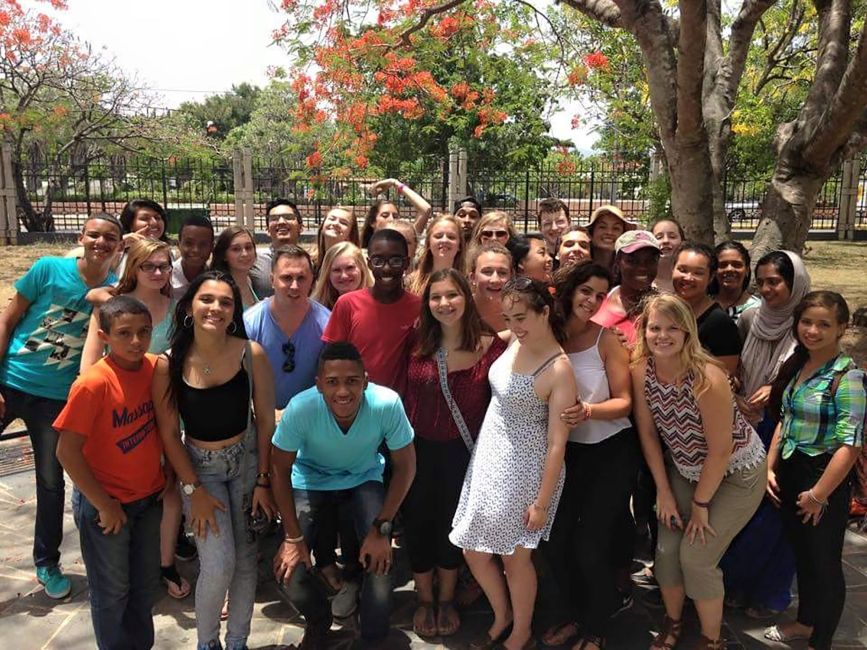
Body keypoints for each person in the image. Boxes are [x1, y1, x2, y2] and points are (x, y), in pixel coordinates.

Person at [631, 294, 766, 650]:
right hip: (684, 469)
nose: (662, 336)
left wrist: (701, 504)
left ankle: (712, 640)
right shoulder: (640, 370)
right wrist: (663, 491)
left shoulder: (707, 377)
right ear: (643, 331)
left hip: (736, 472)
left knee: (697, 558)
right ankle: (673, 622)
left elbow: (720, 450)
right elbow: (648, 432)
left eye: (672, 328)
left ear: (688, 331)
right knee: (665, 555)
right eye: (654, 327)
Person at [0, 212, 123, 599]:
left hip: (55, 399)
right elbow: (8, 320)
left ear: (118, 246)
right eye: (94, 235)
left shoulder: (115, 291)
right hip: (10, 381)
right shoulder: (47, 269)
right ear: (81, 236)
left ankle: (46, 562)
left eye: (109, 238)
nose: (100, 243)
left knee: (51, 482)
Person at [153, 271, 277, 650]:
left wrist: (263, 480)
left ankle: (237, 641)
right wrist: (194, 490)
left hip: (246, 463)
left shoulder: (249, 353)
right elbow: (170, 434)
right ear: (189, 306)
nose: (216, 308)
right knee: (218, 562)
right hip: (199, 469)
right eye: (207, 299)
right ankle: (207, 643)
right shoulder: (168, 363)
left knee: (245, 561)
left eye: (226, 301)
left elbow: (266, 421)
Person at [450, 277, 576, 650]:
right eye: (508, 316)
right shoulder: (512, 342)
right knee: (474, 549)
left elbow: (557, 443)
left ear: (545, 312)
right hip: (490, 459)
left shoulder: (559, 369)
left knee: (516, 558)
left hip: (527, 470)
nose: (515, 324)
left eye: (521, 316)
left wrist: (540, 503)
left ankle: (520, 631)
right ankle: (502, 614)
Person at [271, 342, 417, 648]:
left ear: (365, 380)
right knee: (289, 569)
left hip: (363, 478)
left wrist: (382, 528)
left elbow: (405, 466)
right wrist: (293, 538)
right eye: (333, 382)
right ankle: (318, 619)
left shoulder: (386, 404)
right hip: (310, 480)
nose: (343, 391)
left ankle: (373, 636)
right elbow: (279, 469)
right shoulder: (301, 408)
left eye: (352, 381)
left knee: (381, 562)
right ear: (319, 384)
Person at [79, 238, 193, 599]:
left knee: (169, 487)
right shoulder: (113, 308)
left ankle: (164, 563)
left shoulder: (177, 308)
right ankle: (121, 561)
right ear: (134, 268)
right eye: (150, 266)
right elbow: (89, 365)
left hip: (164, 409)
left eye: (164, 267)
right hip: (121, 412)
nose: (158, 273)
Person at [54, 296, 169, 649]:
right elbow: (66, 452)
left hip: (149, 500)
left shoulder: (155, 369)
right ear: (104, 336)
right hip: (108, 506)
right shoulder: (93, 384)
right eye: (124, 333)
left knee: (144, 586)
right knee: (111, 592)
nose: (136, 341)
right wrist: (104, 504)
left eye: (143, 332)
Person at [403, 269, 508, 638]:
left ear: (466, 297)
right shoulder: (415, 341)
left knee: (452, 525)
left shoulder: (492, 347)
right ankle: (424, 599)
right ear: (427, 304)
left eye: (452, 295)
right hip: (416, 451)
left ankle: (446, 599)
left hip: (465, 454)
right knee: (418, 525)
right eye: (436, 297)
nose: (444, 304)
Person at [540, 262, 637, 650]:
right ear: (568, 289)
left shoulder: (606, 339)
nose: (592, 301)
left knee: (590, 544)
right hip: (564, 453)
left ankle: (596, 625)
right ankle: (570, 614)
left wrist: (590, 411)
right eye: (586, 291)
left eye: (600, 295)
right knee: (556, 540)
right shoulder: (549, 335)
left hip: (610, 451)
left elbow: (625, 402)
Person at [763, 291, 866, 650]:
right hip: (791, 473)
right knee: (803, 556)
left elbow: (850, 444)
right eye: (807, 322)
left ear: (841, 328)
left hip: (822, 479)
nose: (812, 330)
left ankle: (820, 639)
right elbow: (785, 417)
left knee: (823, 564)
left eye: (824, 324)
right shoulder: (798, 364)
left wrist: (818, 495)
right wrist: (769, 467)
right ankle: (806, 623)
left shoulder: (848, 377)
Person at [720, 250, 811, 622]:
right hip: (749, 422)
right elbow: (741, 359)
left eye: (775, 281)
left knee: (776, 515)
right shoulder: (751, 317)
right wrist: (739, 380)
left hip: (787, 427)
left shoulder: (807, 321)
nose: (768, 289)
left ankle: (771, 594)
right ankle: (736, 585)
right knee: (744, 512)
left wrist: (776, 388)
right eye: (762, 282)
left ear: (795, 283)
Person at [322, 229, 421, 396]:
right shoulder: (348, 304)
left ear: (407, 263)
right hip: (355, 402)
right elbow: (332, 360)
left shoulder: (419, 307)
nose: (386, 268)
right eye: (378, 261)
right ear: (368, 263)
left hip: (399, 406)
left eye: (395, 260)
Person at [244, 246, 330, 410]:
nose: (295, 286)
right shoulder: (250, 323)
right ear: (272, 280)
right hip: (264, 417)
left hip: (313, 415)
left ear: (312, 279)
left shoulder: (327, 323)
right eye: (287, 278)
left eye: (301, 278)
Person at [671, 242, 742, 376]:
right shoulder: (662, 311)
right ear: (672, 269)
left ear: (710, 278)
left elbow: (725, 377)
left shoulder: (720, 324)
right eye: (682, 270)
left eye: (698, 273)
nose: (688, 278)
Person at [592, 230, 660, 346]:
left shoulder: (666, 309)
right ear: (618, 262)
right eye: (632, 260)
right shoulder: (596, 302)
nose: (642, 267)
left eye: (650, 260)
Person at [251, 198, 304, 299]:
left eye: (288, 217)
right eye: (274, 219)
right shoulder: (254, 262)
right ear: (267, 229)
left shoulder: (311, 262)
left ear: (300, 228)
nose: (281, 222)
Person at [407, 214, 466, 294]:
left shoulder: (468, 282)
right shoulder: (411, 282)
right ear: (429, 244)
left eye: (451, 237)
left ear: (459, 245)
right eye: (438, 236)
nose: (444, 240)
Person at [365, 177, 433, 242]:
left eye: (395, 216)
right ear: (372, 222)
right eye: (385, 215)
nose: (392, 219)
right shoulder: (361, 250)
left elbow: (426, 209)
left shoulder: (406, 240)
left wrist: (394, 182)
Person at [311, 242, 373, 311]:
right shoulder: (316, 310)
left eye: (350, 268)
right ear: (328, 274)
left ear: (362, 268)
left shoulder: (379, 303)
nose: (344, 276)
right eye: (336, 270)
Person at [709, 241, 760, 322]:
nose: (729, 269)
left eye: (737, 265)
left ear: (747, 270)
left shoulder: (758, 310)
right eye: (723, 265)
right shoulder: (701, 305)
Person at [211, 226, 260, 309]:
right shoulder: (220, 288)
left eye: (248, 247)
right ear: (224, 255)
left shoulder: (249, 281)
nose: (245, 254)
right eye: (236, 249)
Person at [469, 243, 513, 333]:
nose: (495, 280)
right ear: (472, 277)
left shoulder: (520, 310)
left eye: (502, 273)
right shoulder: (461, 310)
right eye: (487, 272)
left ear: (511, 277)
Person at [172, 214, 215, 301]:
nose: (196, 250)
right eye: (189, 243)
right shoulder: (165, 279)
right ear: (178, 244)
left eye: (203, 244)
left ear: (212, 247)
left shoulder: (215, 280)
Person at [587, 205, 634, 272]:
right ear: (591, 233)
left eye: (616, 228)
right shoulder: (580, 264)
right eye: (602, 227)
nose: (609, 232)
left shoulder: (629, 269)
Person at [651, 219, 685, 293]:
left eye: (672, 237)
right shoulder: (643, 280)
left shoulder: (688, 279)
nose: (665, 241)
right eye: (659, 237)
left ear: (682, 242)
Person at [536, 198, 571, 264]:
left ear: (569, 222)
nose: (554, 228)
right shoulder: (536, 261)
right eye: (547, 223)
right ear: (540, 228)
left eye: (560, 221)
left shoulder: (578, 257)